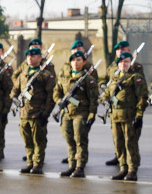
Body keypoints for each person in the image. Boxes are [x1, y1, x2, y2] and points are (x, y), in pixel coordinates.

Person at [101, 51, 147, 181]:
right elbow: (105, 95)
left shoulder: (135, 78)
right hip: (115, 117)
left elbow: (142, 98)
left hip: (129, 117)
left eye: (126, 61)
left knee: (130, 144)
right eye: (121, 62)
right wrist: (106, 100)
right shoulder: (114, 79)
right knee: (119, 144)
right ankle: (123, 168)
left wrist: (139, 116)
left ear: (131, 63)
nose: (123, 64)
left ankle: (132, 170)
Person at [53, 50, 99, 178]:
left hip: (81, 113)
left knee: (80, 140)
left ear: (84, 62)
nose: (75, 62)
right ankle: (71, 165)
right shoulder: (64, 78)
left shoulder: (88, 80)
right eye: (73, 60)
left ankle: (80, 167)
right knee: (69, 140)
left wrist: (91, 115)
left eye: (78, 60)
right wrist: (59, 101)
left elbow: (93, 100)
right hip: (67, 113)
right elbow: (56, 92)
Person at [10, 47, 56, 174]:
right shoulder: (23, 73)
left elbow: (51, 96)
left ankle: (37, 165)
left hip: (38, 114)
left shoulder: (46, 75)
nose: (30, 58)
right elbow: (15, 88)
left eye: (34, 56)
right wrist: (14, 98)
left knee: (38, 141)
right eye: (28, 56)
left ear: (40, 58)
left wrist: (45, 113)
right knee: (27, 141)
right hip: (24, 114)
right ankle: (30, 162)